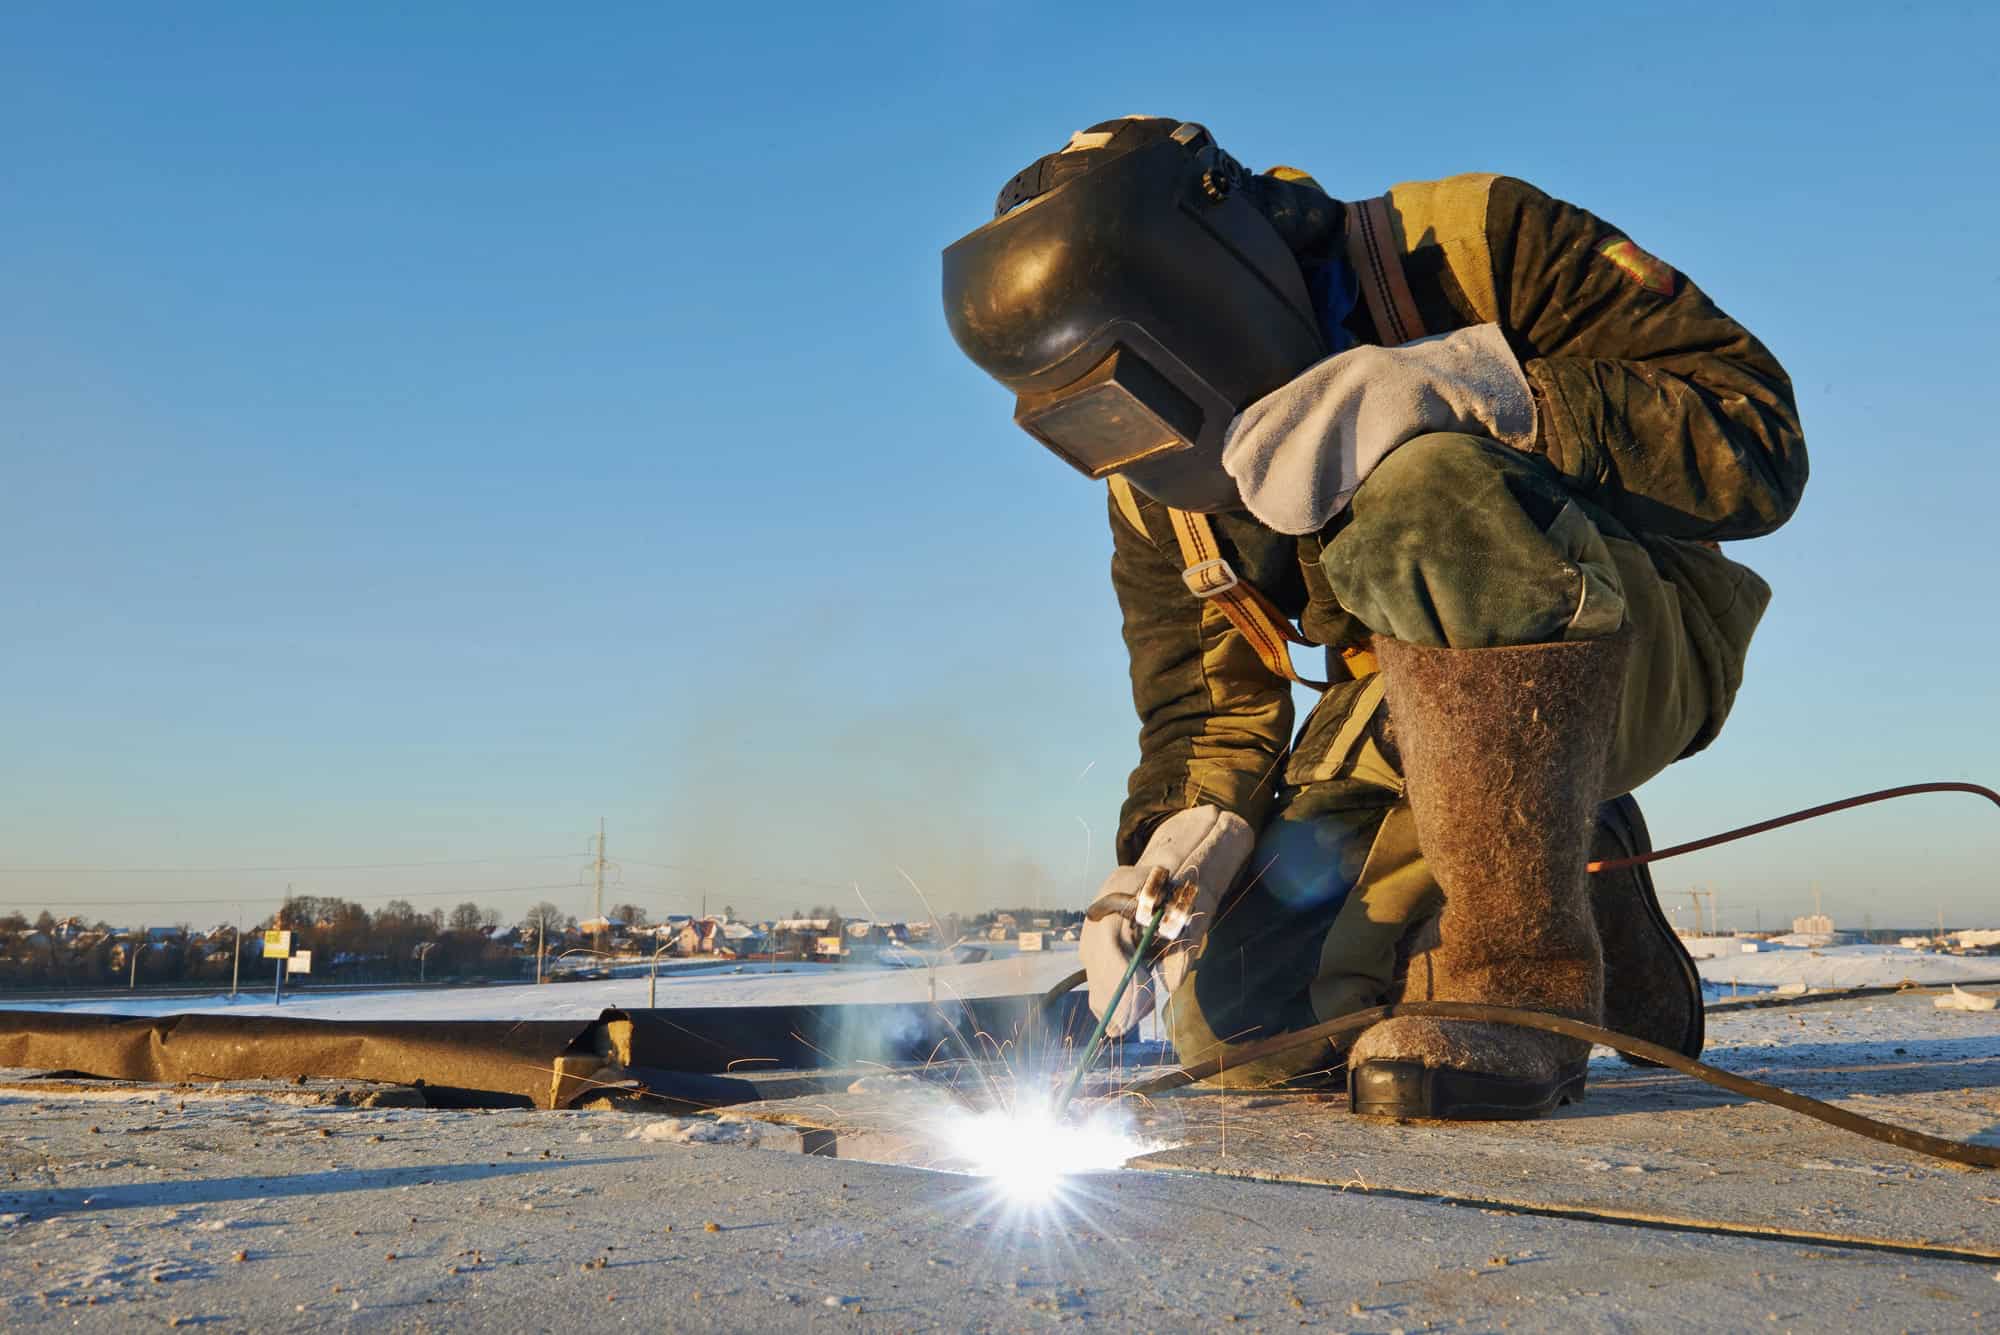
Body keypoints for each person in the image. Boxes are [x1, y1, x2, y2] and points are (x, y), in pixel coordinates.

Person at [941, 117, 1805, 1119]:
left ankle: (1523, 980)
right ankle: (1586, 868)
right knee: (1242, 1037)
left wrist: (1475, 392)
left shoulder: (1472, 243)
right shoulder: (1152, 479)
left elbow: (1758, 443)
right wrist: (1176, 851)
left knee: (1424, 494)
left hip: (1629, 636)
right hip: (1401, 718)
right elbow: (1209, 711)